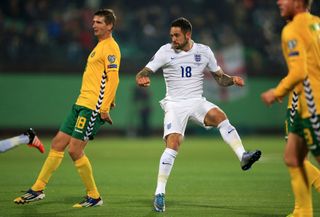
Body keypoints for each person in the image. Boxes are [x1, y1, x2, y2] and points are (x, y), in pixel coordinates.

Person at [136, 17, 261, 212]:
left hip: (196, 101)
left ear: (188, 35)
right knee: (174, 144)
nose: (173, 39)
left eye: (177, 35)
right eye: (171, 35)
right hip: (175, 104)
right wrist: (141, 78)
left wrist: (232, 79)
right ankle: (160, 193)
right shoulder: (165, 51)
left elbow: (220, 79)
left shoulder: (204, 51)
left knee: (221, 117)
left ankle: (243, 156)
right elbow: (143, 72)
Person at [13, 9, 121, 208]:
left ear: (109, 26)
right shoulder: (99, 46)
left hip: (92, 108)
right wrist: (109, 99)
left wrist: (105, 107)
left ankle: (94, 196)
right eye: (94, 21)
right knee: (57, 143)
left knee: (74, 149)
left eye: (99, 22)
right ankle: (37, 189)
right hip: (80, 104)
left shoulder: (111, 48)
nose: (94, 25)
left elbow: (114, 78)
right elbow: (102, 79)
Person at [261, 0, 320, 216]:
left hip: (313, 105)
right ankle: (302, 212)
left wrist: (276, 92)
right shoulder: (317, 25)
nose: (278, 1)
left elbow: (299, 71)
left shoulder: (292, 29)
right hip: (308, 101)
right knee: (292, 157)